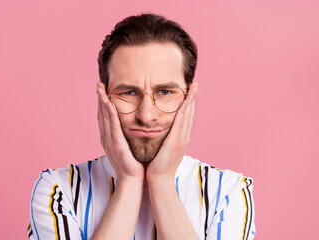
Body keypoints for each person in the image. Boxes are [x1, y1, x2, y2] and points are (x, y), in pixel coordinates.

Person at [27, 13, 255, 240]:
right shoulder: (57, 191)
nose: (146, 116)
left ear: (189, 98)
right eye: (128, 92)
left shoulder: (229, 192)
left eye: (165, 92)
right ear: (104, 99)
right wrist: (129, 181)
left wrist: (162, 181)